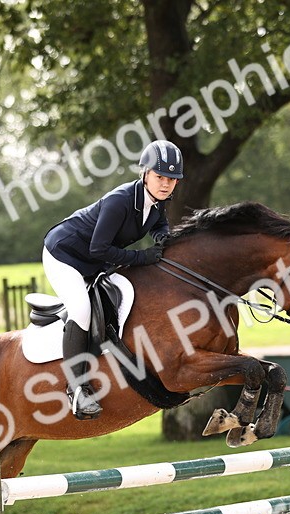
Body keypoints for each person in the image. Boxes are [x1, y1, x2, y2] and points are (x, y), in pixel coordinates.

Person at [43, 140, 184, 420]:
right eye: (160, 177)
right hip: (65, 255)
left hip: (96, 260)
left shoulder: (156, 203)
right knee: (81, 308)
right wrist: (143, 257)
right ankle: (77, 389)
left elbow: (158, 225)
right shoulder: (119, 201)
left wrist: (163, 239)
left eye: (172, 179)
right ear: (145, 174)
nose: (166, 184)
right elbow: (98, 248)